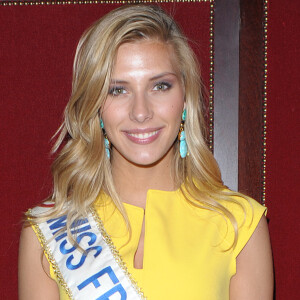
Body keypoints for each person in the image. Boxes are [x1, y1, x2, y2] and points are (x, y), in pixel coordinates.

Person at [18, 4, 273, 300]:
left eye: (160, 86)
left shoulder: (239, 224)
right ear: (95, 106)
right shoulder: (48, 233)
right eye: (118, 90)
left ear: (186, 99)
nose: (141, 112)